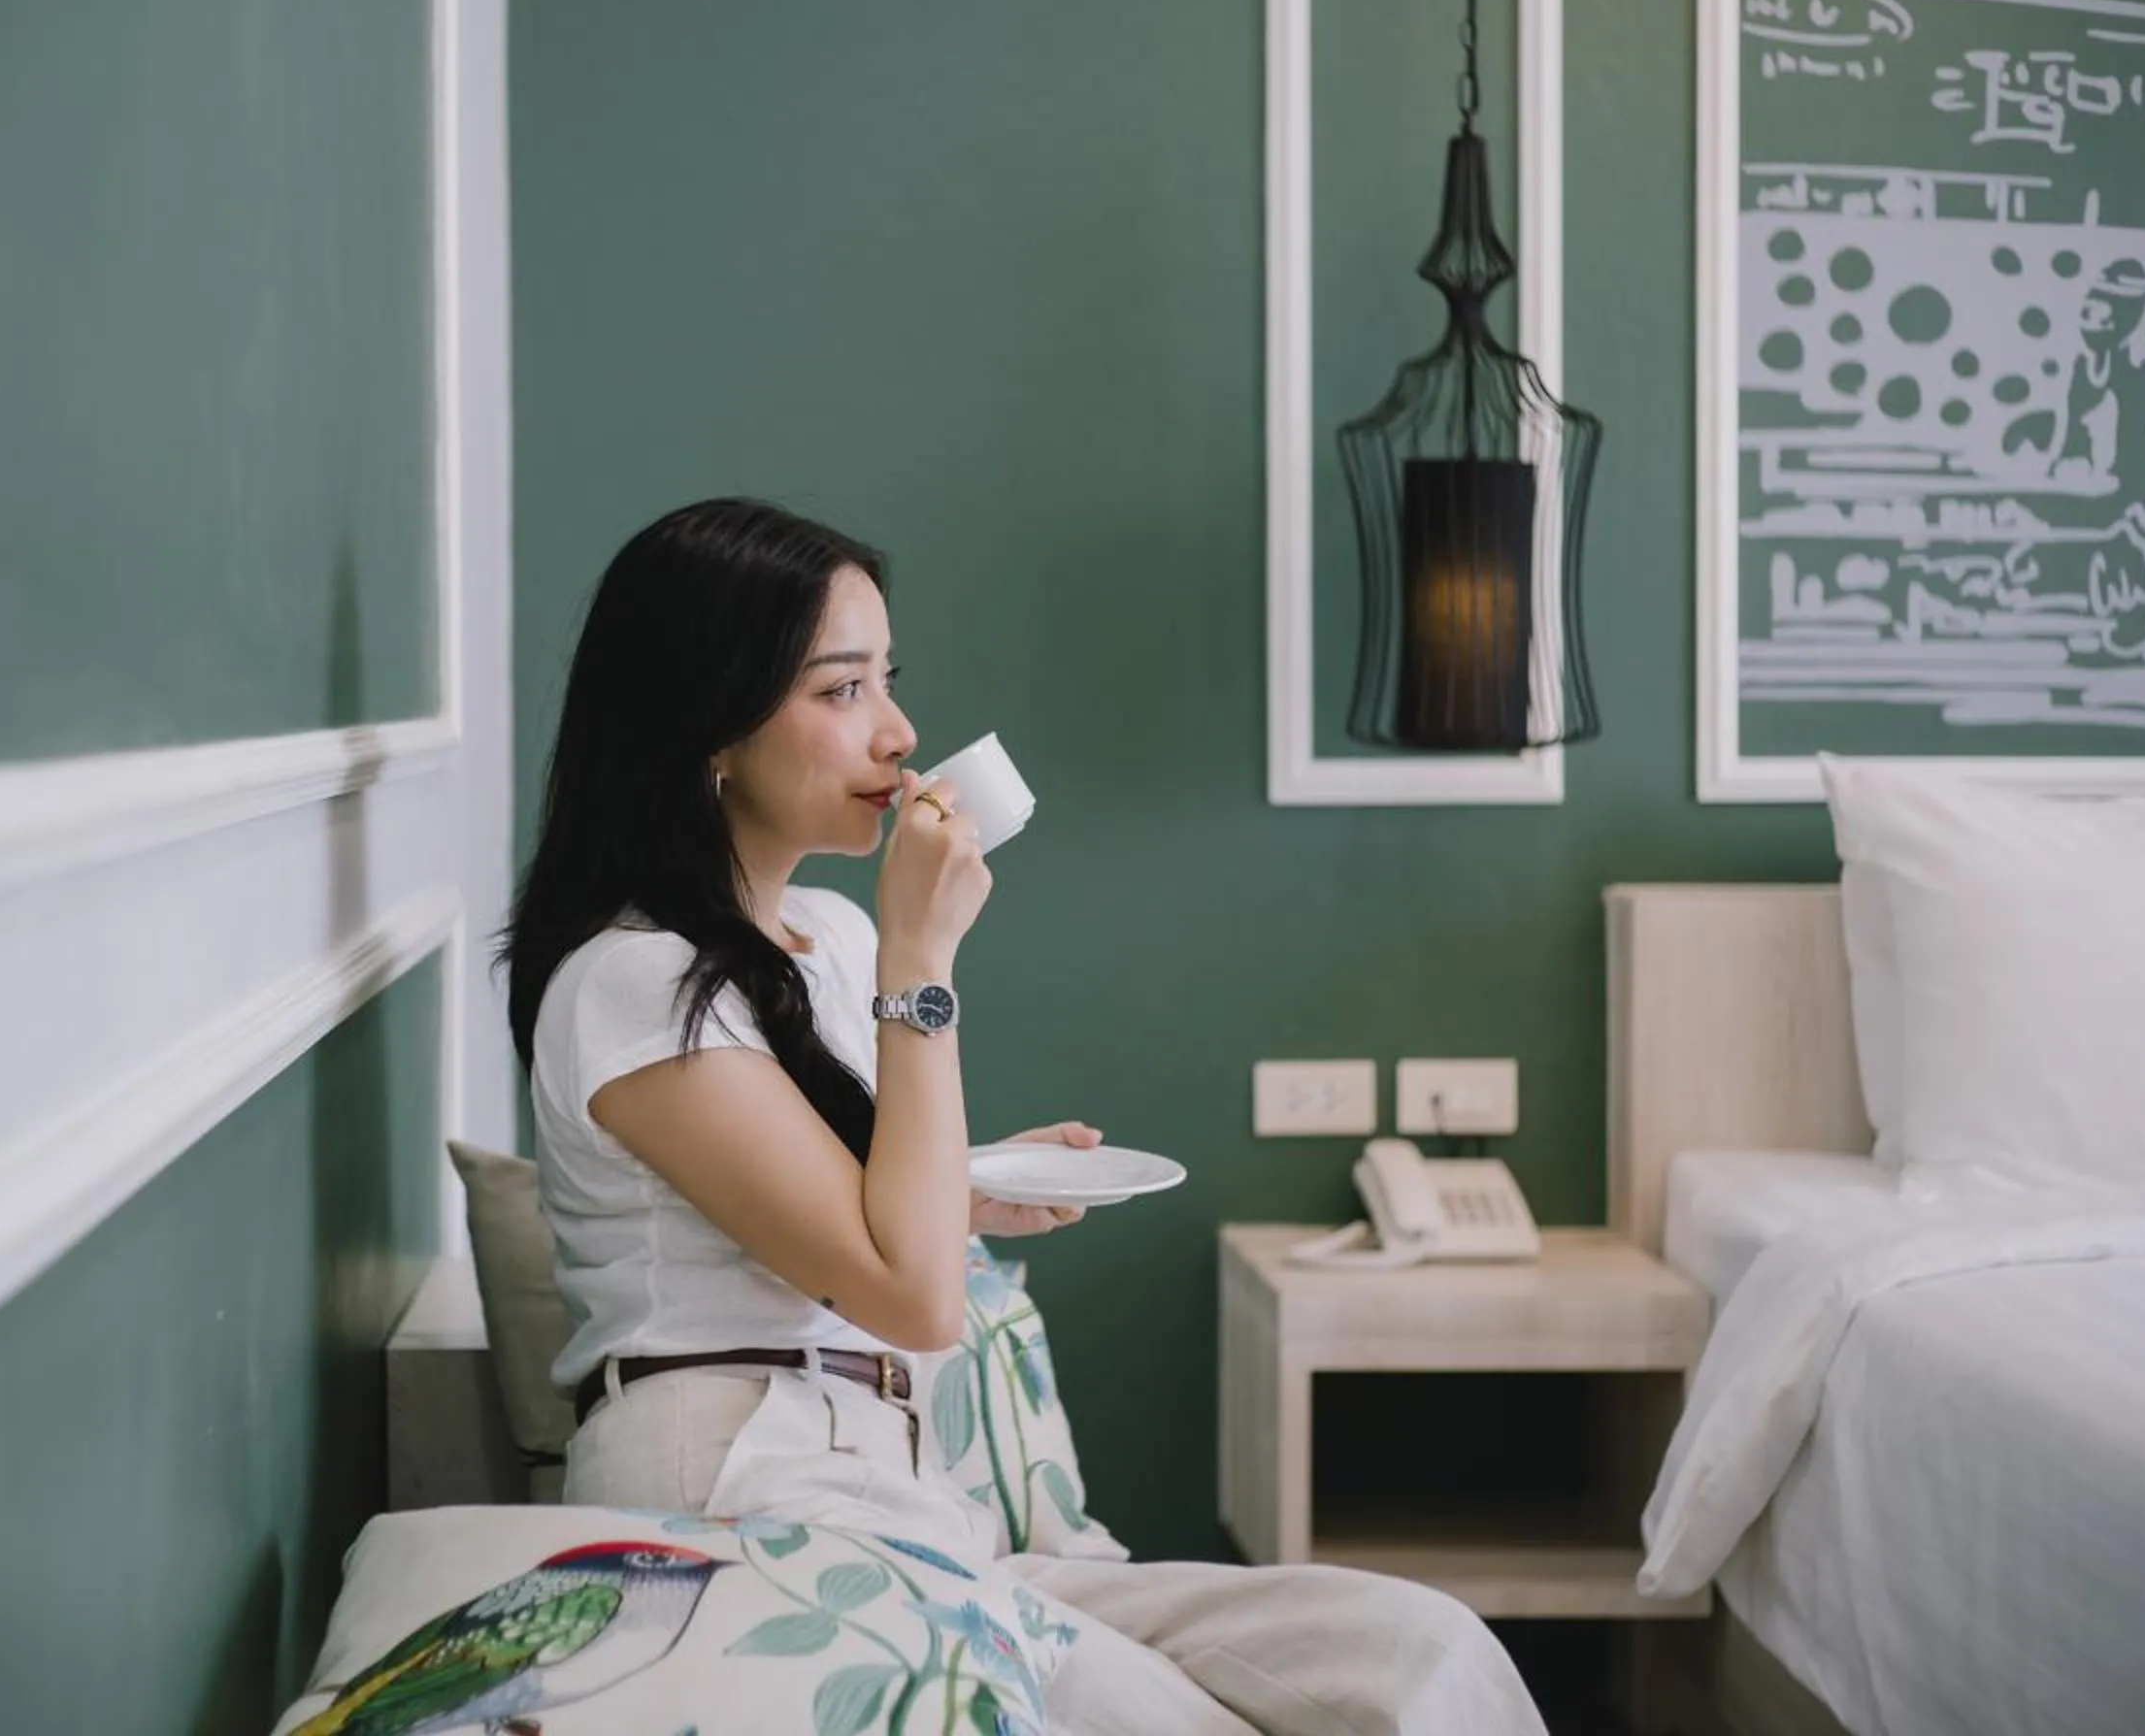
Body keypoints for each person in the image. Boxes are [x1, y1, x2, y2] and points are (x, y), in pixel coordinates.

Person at [496, 497, 1546, 1735]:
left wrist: (968, 1186)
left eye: (887, 680)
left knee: (1418, 1650)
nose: (898, 731)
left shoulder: (823, 939)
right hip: (738, 1487)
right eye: (841, 690)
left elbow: (855, 1212)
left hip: (896, 1483)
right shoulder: (632, 981)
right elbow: (913, 1292)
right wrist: (922, 957)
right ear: (706, 727)